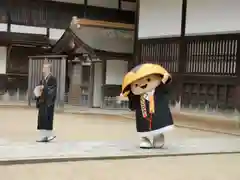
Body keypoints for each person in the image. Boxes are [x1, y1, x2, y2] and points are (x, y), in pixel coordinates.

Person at [119, 63, 174, 149]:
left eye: (148, 79)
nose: (142, 84)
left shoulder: (158, 91)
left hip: (157, 113)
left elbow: (166, 90)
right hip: (143, 116)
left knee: (158, 125)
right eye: (136, 85)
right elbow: (133, 106)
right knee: (143, 128)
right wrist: (128, 95)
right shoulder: (137, 97)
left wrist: (164, 81)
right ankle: (145, 139)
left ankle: (158, 136)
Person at [34, 62, 57, 142]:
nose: (43, 69)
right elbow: (39, 90)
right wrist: (38, 94)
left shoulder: (52, 79)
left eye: (45, 68)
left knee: (48, 119)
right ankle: (43, 136)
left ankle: (48, 135)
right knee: (42, 119)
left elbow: (52, 90)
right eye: (43, 68)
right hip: (42, 102)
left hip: (48, 103)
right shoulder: (43, 79)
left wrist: (43, 88)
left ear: (49, 69)